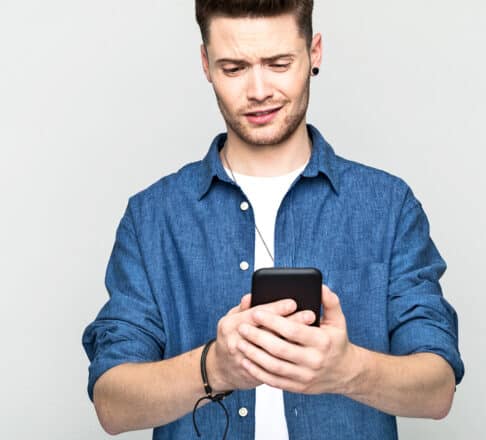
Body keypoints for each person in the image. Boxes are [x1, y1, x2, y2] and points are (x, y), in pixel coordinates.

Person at [82, 1, 464, 438]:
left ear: (314, 52)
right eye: (233, 68)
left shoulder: (387, 206)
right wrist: (215, 368)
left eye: (279, 63)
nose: (259, 89)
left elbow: (438, 390)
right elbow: (111, 404)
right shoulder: (153, 216)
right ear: (205, 64)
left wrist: (348, 370)